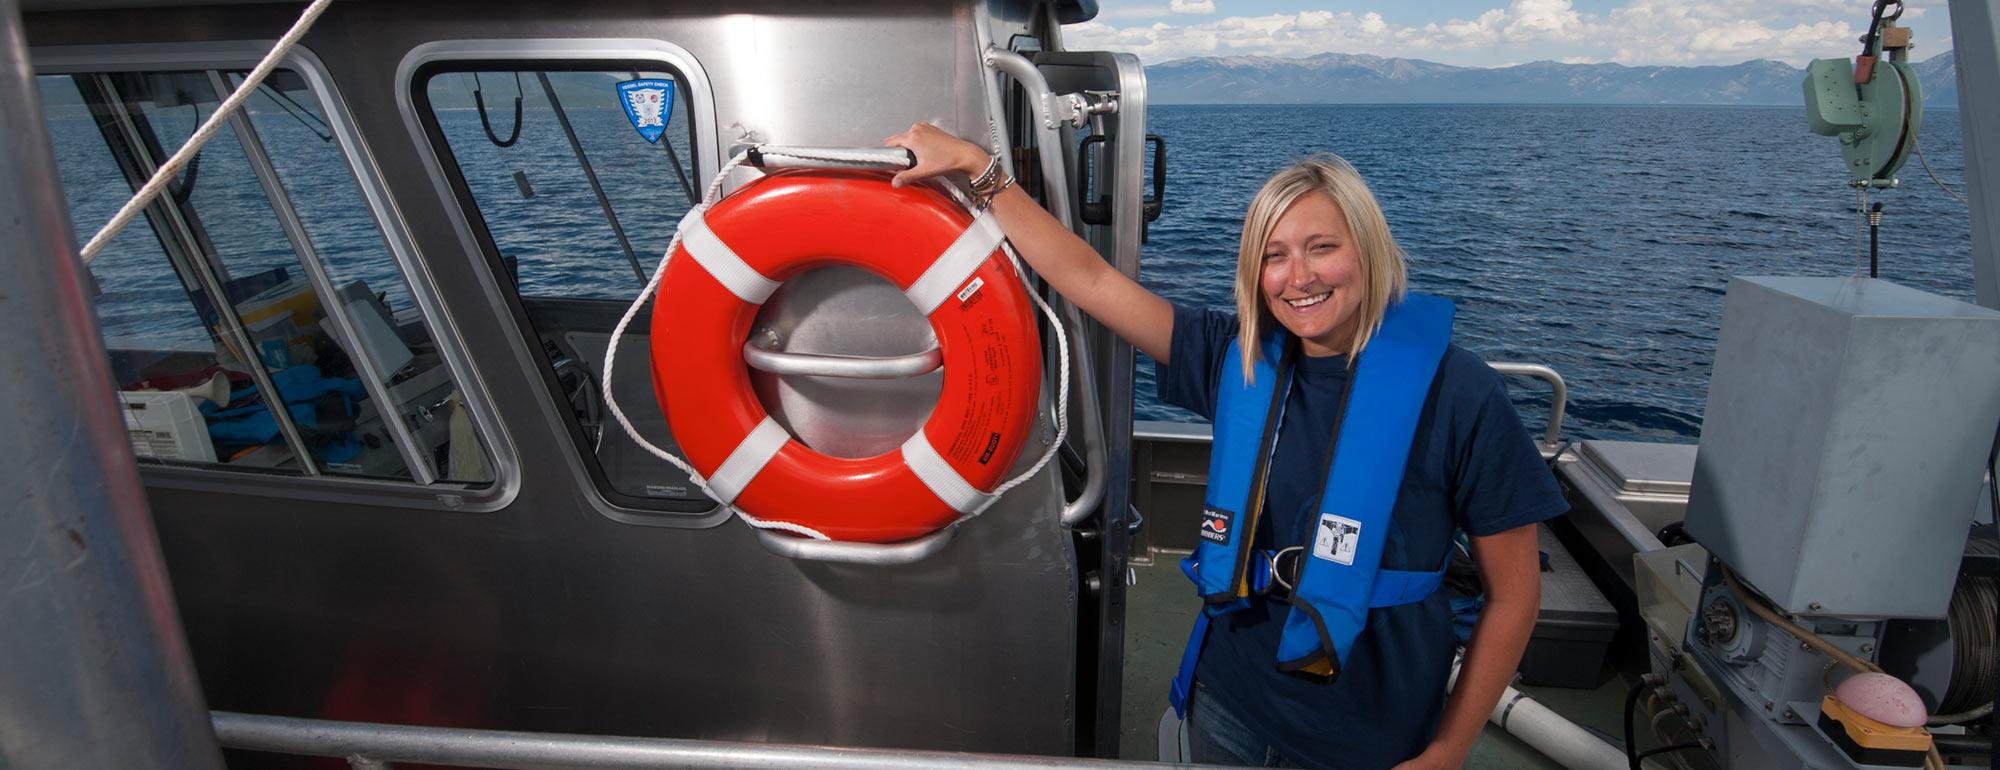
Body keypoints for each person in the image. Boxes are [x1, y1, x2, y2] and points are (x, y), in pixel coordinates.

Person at [886, 122, 1568, 770]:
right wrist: (982, 170)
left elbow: (1514, 597)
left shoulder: (1462, 395)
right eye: (1273, 256)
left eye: (1321, 247)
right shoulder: (1236, 361)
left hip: (1371, 734)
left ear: (1368, 247)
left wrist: (1450, 748)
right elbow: (1090, 280)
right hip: (1228, 702)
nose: (1297, 277)